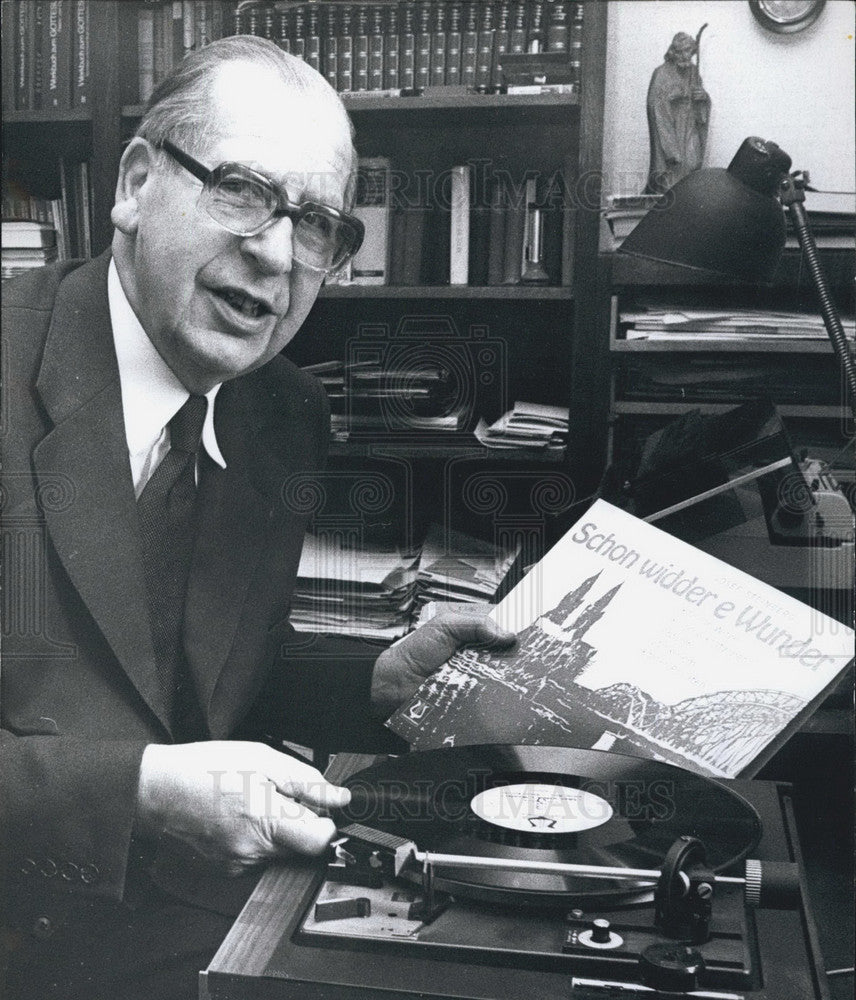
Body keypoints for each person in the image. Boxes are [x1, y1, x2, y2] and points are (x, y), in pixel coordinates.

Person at [0, 37, 513, 1000]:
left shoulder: (281, 412)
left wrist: (373, 677)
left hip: (187, 926)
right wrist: (142, 794)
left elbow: (198, 673)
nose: (278, 253)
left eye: (317, 223)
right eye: (242, 190)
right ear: (138, 184)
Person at [644, 31, 711, 194]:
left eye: (688, 51)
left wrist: (703, 99)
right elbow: (654, 105)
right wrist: (671, 97)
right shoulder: (661, 73)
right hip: (670, 130)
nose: (684, 56)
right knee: (671, 175)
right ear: (673, 52)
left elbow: (701, 104)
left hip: (689, 127)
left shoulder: (694, 72)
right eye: (680, 52)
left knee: (693, 162)